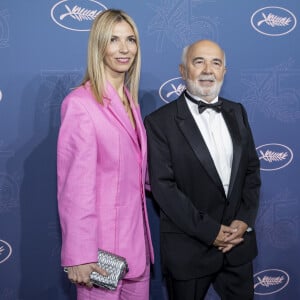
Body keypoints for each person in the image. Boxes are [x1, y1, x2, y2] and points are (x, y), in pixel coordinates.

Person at [144, 39, 261, 300]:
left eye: (216, 63)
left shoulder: (237, 111)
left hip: (238, 245)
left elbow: (252, 170)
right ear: (183, 71)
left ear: (224, 72)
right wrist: (211, 232)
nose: (208, 69)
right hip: (189, 250)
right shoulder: (159, 122)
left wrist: (244, 220)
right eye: (199, 62)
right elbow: (164, 188)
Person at [57, 9, 154, 300]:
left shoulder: (131, 103)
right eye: (114, 40)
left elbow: (138, 175)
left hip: (136, 253)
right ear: (99, 46)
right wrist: (78, 254)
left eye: (131, 39)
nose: (125, 49)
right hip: (98, 259)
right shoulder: (80, 104)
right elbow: (74, 188)